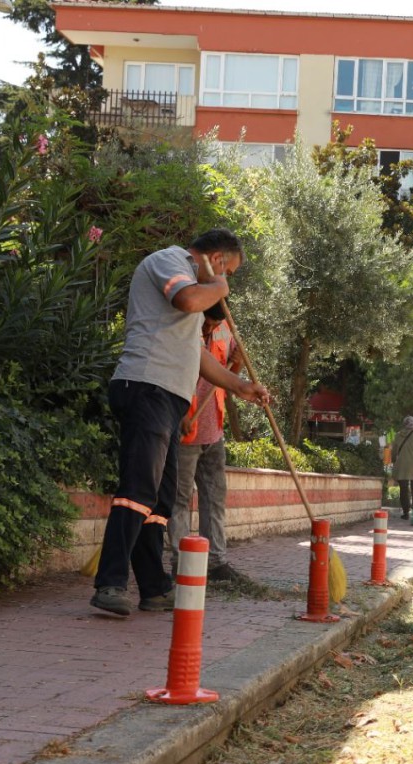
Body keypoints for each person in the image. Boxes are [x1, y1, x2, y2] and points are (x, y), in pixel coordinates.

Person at [90, 229, 270, 618]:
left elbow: (199, 356)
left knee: (160, 501)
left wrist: (242, 387)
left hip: (168, 399)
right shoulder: (168, 262)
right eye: (230, 271)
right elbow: (189, 299)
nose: (228, 282)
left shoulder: (191, 297)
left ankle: (154, 588)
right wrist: (219, 285)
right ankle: (110, 583)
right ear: (217, 259)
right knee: (137, 490)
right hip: (144, 387)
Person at [167, 312, 243, 583]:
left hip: (214, 430)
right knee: (180, 498)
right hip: (186, 431)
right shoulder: (185, 324)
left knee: (215, 497)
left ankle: (216, 562)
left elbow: (230, 376)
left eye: (214, 323)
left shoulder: (226, 328)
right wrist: (180, 415)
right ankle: (182, 561)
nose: (210, 327)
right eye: (207, 322)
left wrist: (238, 364)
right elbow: (170, 371)